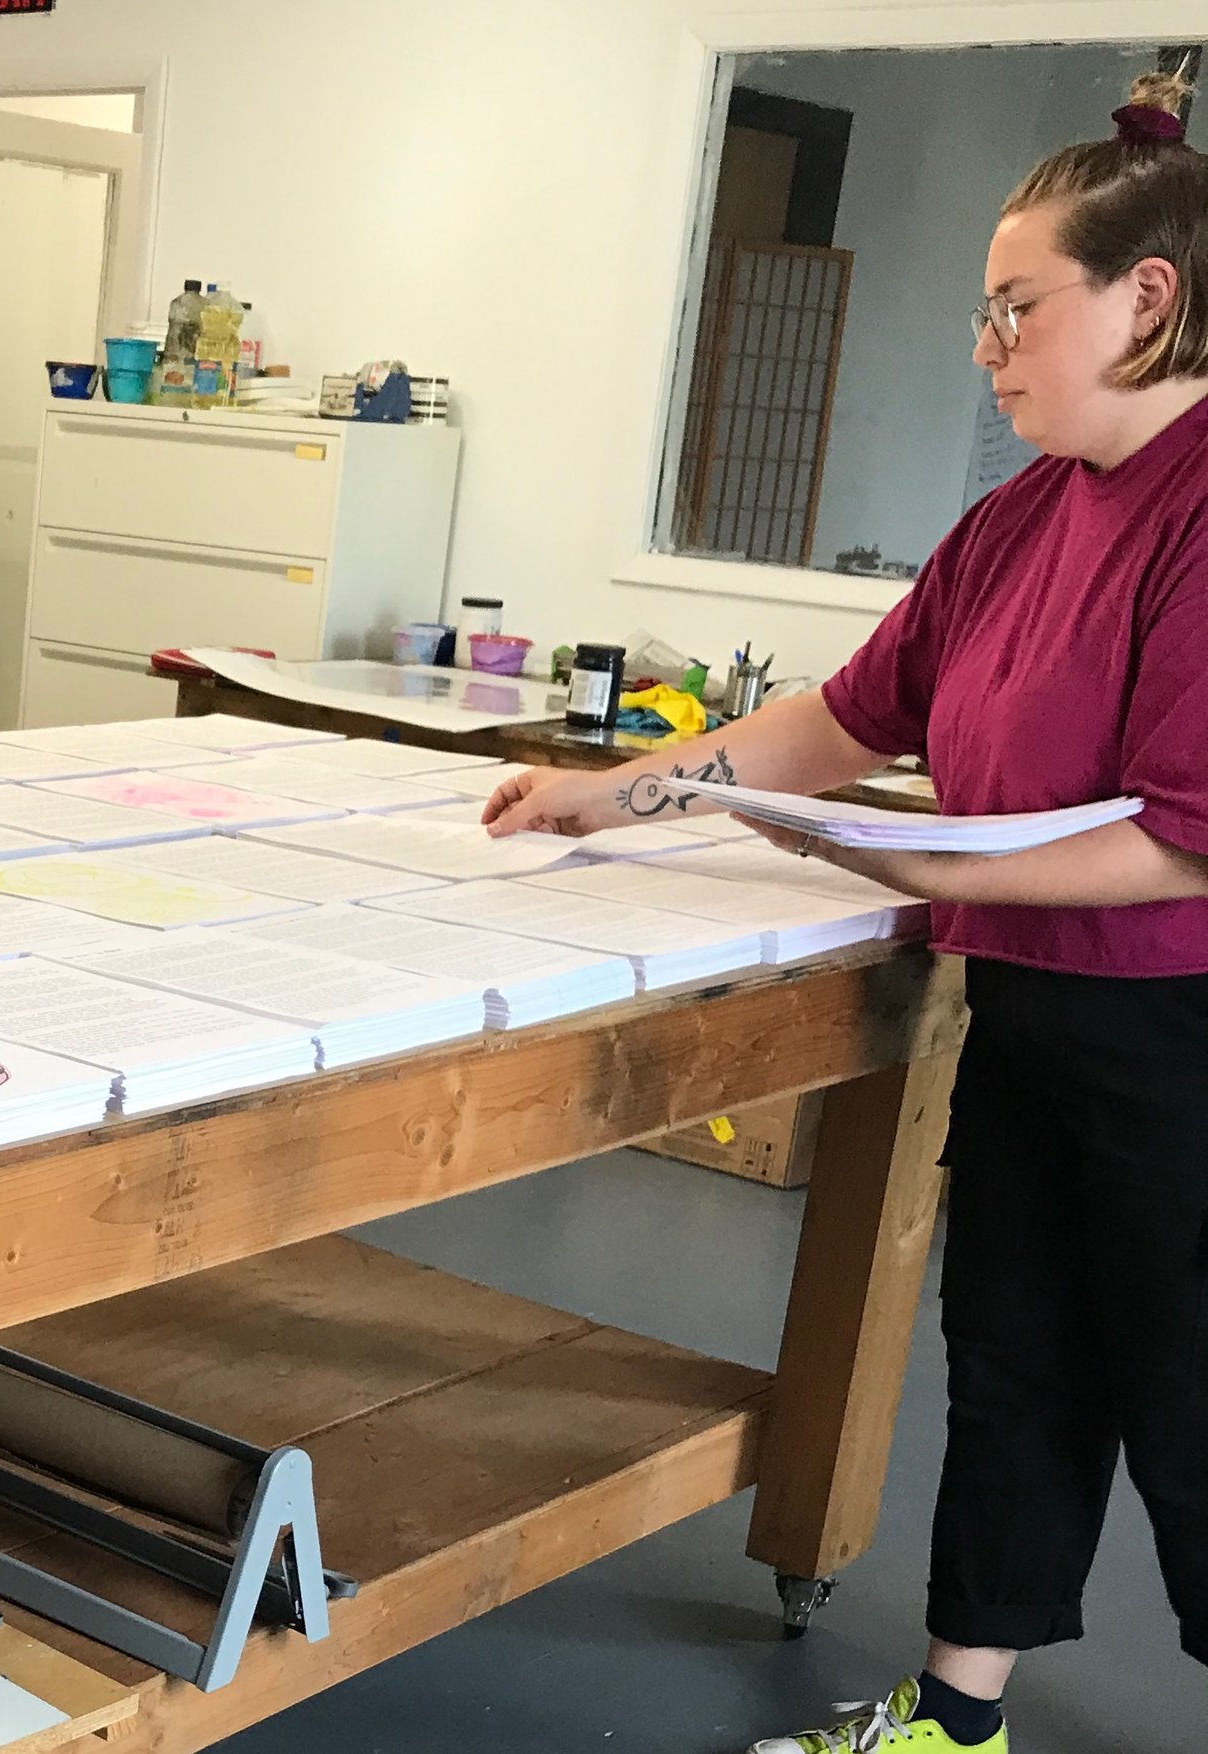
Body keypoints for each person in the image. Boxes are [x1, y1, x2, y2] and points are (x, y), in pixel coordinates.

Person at [487, 71, 1208, 1754]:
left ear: (1148, 299)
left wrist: (939, 868)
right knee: (1018, 1360)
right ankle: (958, 1721)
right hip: (1030, 1007)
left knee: (1185, 1403)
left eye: (1018, 306)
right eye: (983, 310)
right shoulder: (1016, 520)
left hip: (1179, 1029)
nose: (988, 342)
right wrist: (631, 784)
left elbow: (1187, 841)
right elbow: (840, 718)